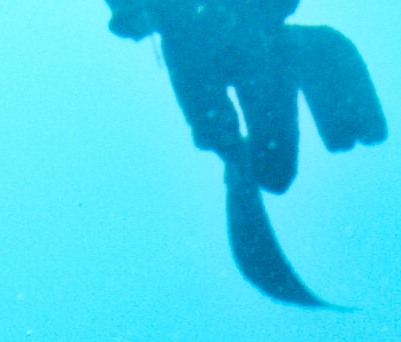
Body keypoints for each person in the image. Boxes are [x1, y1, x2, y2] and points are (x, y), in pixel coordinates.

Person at [105, 1, 384, 304]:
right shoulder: (179, 44)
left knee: (275, 171)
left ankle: (310, 47)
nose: (137, 37)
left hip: (264, 44)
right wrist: (231, 155)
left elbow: (204, 101)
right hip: (256, 48)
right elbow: (200, 102)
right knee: (273, 173)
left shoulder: (193, 35)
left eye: (135, 24)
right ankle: (308, 49)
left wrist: (232, 154)